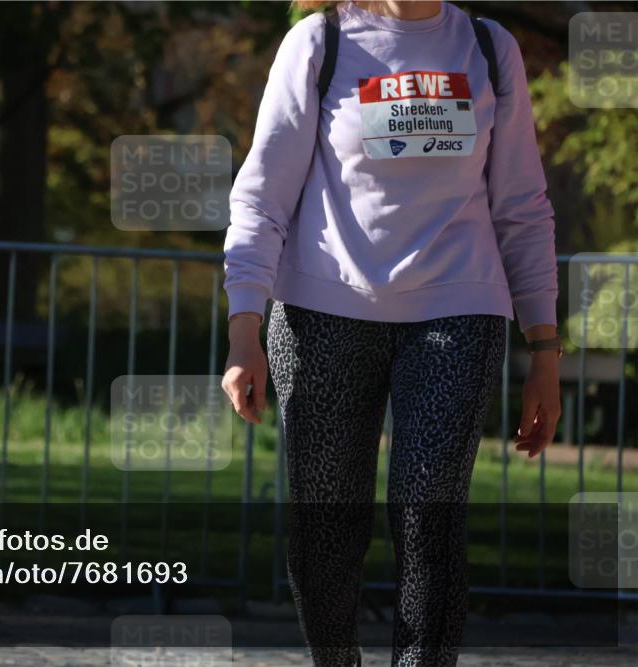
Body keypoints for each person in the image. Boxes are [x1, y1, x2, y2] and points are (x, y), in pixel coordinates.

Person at [220, 1, 561, 665]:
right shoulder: (319, 42)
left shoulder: (490, 50)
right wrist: (244, 326)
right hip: (324, 312)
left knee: (429, 520)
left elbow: (523, 208)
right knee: (325, 532)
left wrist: (544, 350)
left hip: (459, 311)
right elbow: (261, 196)